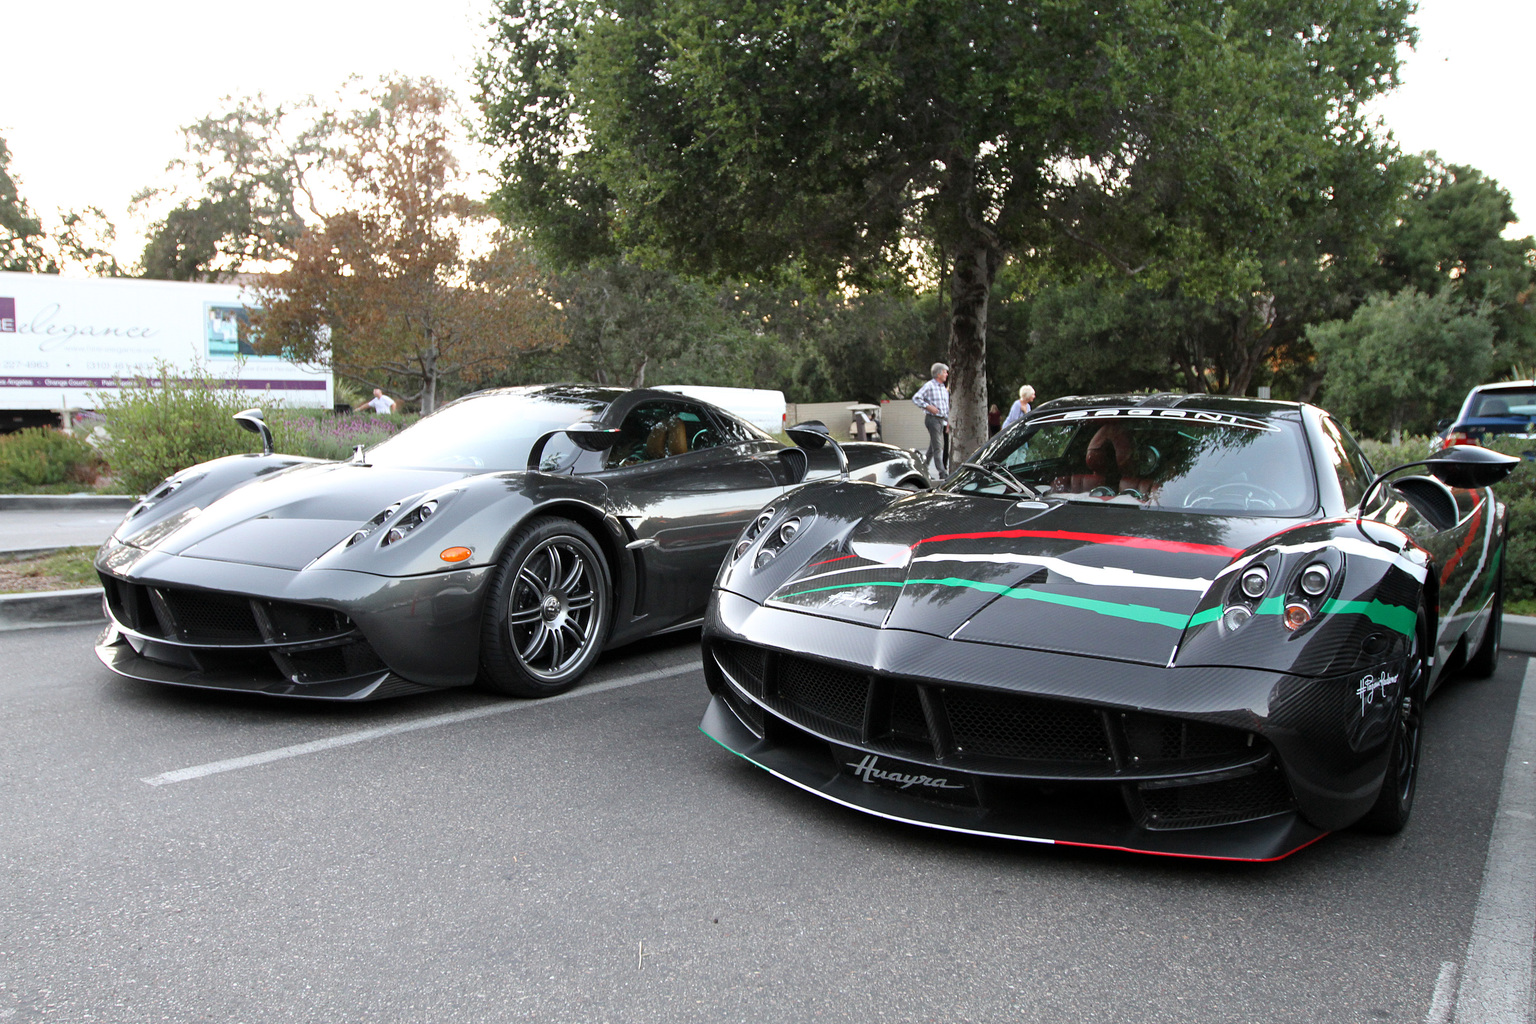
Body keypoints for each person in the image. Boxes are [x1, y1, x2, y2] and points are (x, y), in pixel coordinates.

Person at [912, 362, 950, 479]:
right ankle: (942, 473)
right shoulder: (930, 385)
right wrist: (928, 407)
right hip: (932, 419)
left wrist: (948, 422)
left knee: (932, 447)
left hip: (941, 421)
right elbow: (916, 398)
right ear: (938, 374)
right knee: (938, 447)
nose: (947, 374)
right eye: (945, 372)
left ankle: (923, 468)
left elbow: (946, 406)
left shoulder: (943, 388)